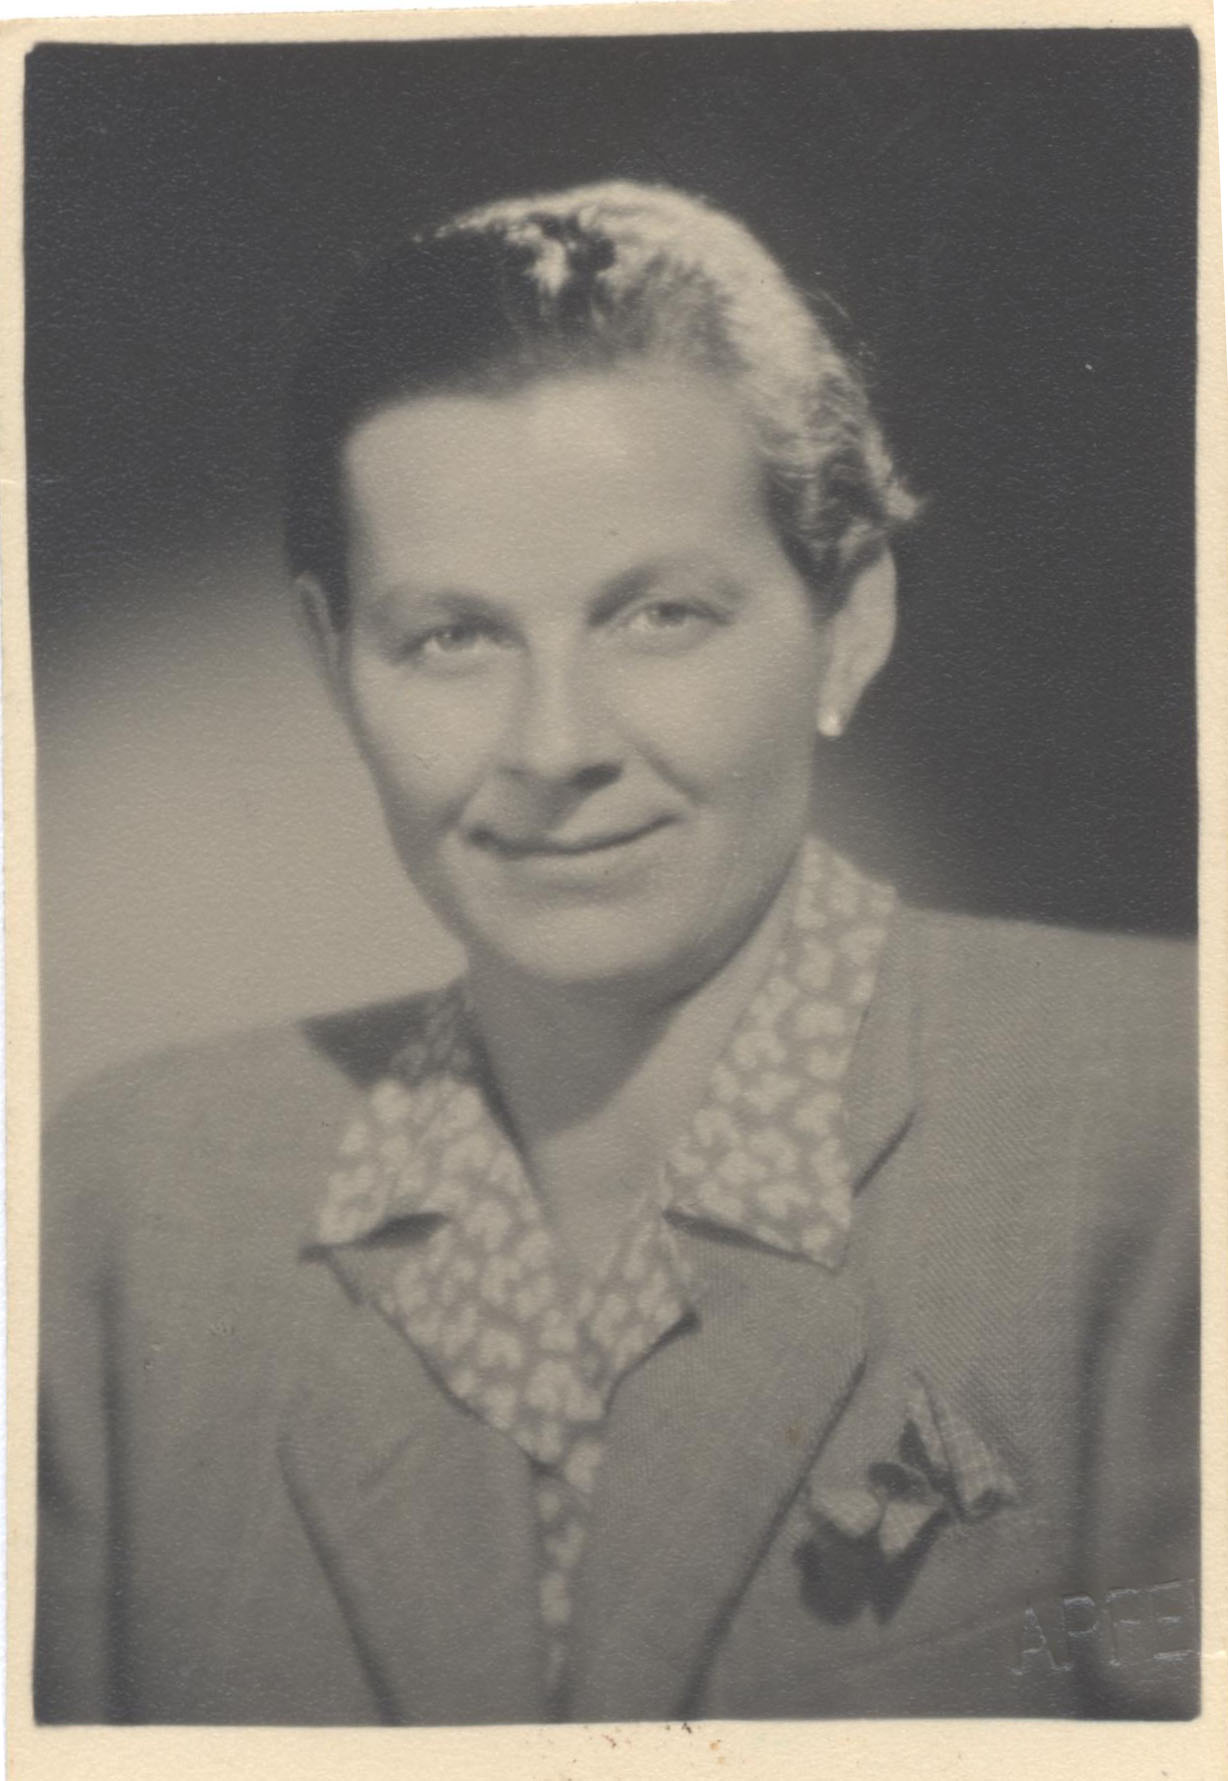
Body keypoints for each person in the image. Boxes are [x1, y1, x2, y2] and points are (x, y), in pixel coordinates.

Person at [35, 180, 1199, 1724]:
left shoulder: (1164, 1119)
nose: (554, 745)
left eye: (658, 614)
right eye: (452, 636)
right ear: (335, 662)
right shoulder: (137, 1206)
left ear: (848, 621)